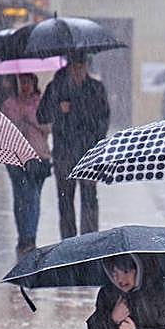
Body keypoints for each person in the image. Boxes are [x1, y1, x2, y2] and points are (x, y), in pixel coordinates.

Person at [37, 56, 110, 238]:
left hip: (89, 154)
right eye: (75, 66)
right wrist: (58, 108)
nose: (78, 70)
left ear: (86, 66)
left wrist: (97, 145)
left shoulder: (95, 88)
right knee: (65, 200)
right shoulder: (56, 87)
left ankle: (89, 241)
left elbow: (104, 119)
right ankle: (68, 243)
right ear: (69, 66)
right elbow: (41, 116)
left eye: (81, 65)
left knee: (89, 199)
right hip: (64, 154)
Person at [0, 73, 52, 255]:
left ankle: (30, 237)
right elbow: (4, 131)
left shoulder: (41, 103)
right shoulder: (9, 105)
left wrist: (31, 121)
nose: (25, 86)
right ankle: (23, 235)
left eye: (28, 82)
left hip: (39, 156)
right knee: (20, 197)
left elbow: (48, 128)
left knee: (33, 196)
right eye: (22, 82)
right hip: (16, 157)